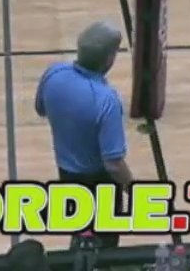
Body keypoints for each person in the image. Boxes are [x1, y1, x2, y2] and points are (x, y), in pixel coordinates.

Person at [34, 21, 132, 250]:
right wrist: (133, 188)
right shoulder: (106, 100)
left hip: (66, 174)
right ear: (109, 59)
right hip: (99, 183)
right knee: (105, 243)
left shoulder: (54, 73)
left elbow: (41, 109)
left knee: (79, 229)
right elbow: (113, 163)